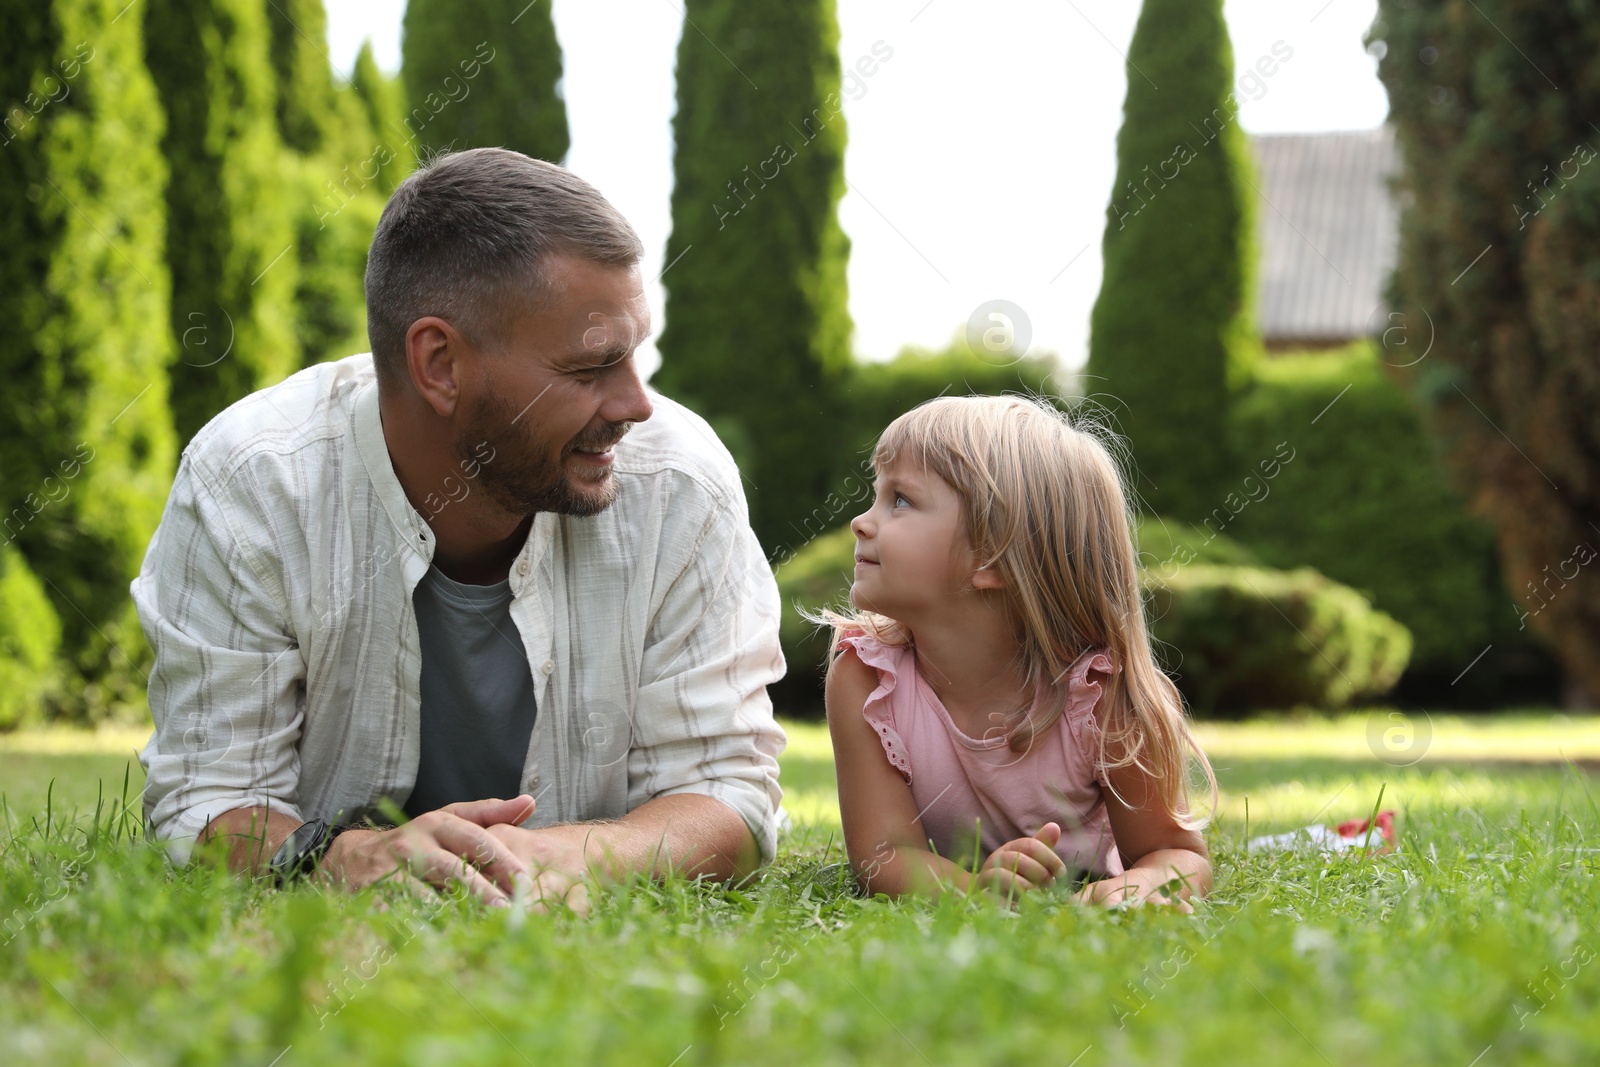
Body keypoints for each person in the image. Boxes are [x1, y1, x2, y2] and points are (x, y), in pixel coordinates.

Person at [133, 148, 787, 913]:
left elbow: (729, 794)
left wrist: (561, 857)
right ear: (440, 363)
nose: (636, 404)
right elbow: (205, 799)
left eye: (635, 353)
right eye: (589, 367)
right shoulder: (252, 481)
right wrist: (347, 857)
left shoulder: (680, 483)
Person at [821, 394, 1216, 909]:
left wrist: (1131, 891)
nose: (862, 522)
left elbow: (1173, 852)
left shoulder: (1102, 695)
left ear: (993, 553)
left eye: (900, 500)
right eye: (877, 496)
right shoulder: (866, 679)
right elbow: (885, 855)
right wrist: (977, 894)